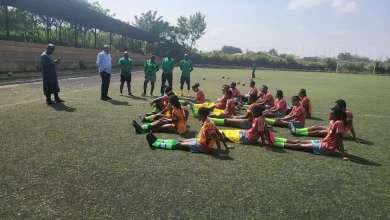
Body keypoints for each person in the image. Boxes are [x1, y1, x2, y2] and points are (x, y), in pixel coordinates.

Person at [145, 107, 233, 158]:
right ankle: (157, 140)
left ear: (202, 115)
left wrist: (219, 151)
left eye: (198, 114)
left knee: (179, 145)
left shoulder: (207, 126)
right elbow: (219, 135)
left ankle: (155, 144)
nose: (197, 116)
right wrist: (226, 147)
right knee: (179, 141)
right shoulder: (210, 122)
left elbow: (217, 137)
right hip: (199, 141)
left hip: (202, 147)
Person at [272, 107, 352, 161]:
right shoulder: (334, 121)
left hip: (326, 148)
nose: (329, 115)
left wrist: (343, 155)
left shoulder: (339, 123)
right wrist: (337, 146)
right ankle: (274, 139)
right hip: (324, 143)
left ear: (336, 115)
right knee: (299, 142)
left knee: (299, 146)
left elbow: (339, 139)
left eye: (331, 114)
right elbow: (334, 137)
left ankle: (273, 142)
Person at [291, 99, 357, 141]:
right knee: (315, 127)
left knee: (318, 132)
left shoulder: (348, 113)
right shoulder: (340, 112)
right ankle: (298, 130)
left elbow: (350, 126)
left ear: (342, 107)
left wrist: (354, 138)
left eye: (336, 106)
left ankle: (298, 132)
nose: (335, 108)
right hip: (334, 128)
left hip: (340, 132)